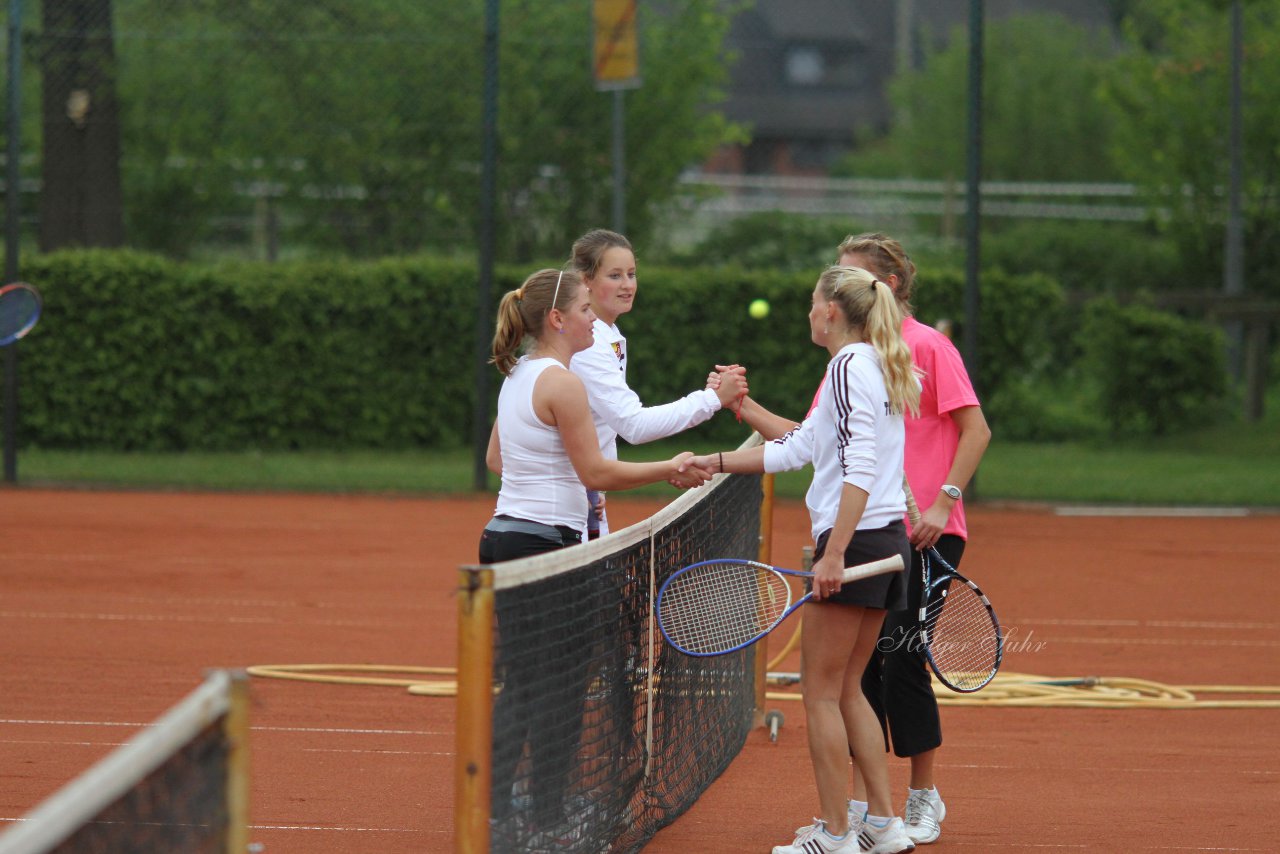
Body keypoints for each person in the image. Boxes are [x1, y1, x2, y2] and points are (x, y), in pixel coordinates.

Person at [682, 265, 919, 854]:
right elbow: (800, 448)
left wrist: (832, 553)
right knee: (847, 691)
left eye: (813, 303)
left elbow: (858, 468)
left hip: (856, 544)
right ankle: (884, 826)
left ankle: (837, 833)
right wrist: (711, 462)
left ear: (832, 311)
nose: (810, 313)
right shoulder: (873, 363)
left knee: (819, 691)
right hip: (886, 542)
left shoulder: (845, 366)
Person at [481, 267, 708, 843]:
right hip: (549, 549)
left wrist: (544, 475)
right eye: (585, 308)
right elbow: (598, 472)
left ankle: (498, 811)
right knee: (557, 687)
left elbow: (496, 460)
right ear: (557, 319)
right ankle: (549, 820)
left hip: (506, 539)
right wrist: (670, 468)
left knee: (525, 683)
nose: (593, 317)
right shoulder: (562, 383)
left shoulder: (518, 376)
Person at [837, 232, 990, 846]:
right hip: (873, 534)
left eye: (849, 276)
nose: (835, 286)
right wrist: (741, 415)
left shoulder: (929, 346)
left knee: (903, 659)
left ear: (888, 285)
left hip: (931, 534)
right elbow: (816, 437)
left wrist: (942, 501)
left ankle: (924, 797)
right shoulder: (851, 355)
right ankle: (867, 806)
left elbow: (975, 431)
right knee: (859, 669)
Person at [568, 228, 747, 536]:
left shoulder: (605, 336)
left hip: (584, 498)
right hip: (567, 509)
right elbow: (633, 426)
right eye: (614, 276)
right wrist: (712, 399)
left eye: (631, 274)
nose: (627, 285)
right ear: (586, 280)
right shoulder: (589, 345)